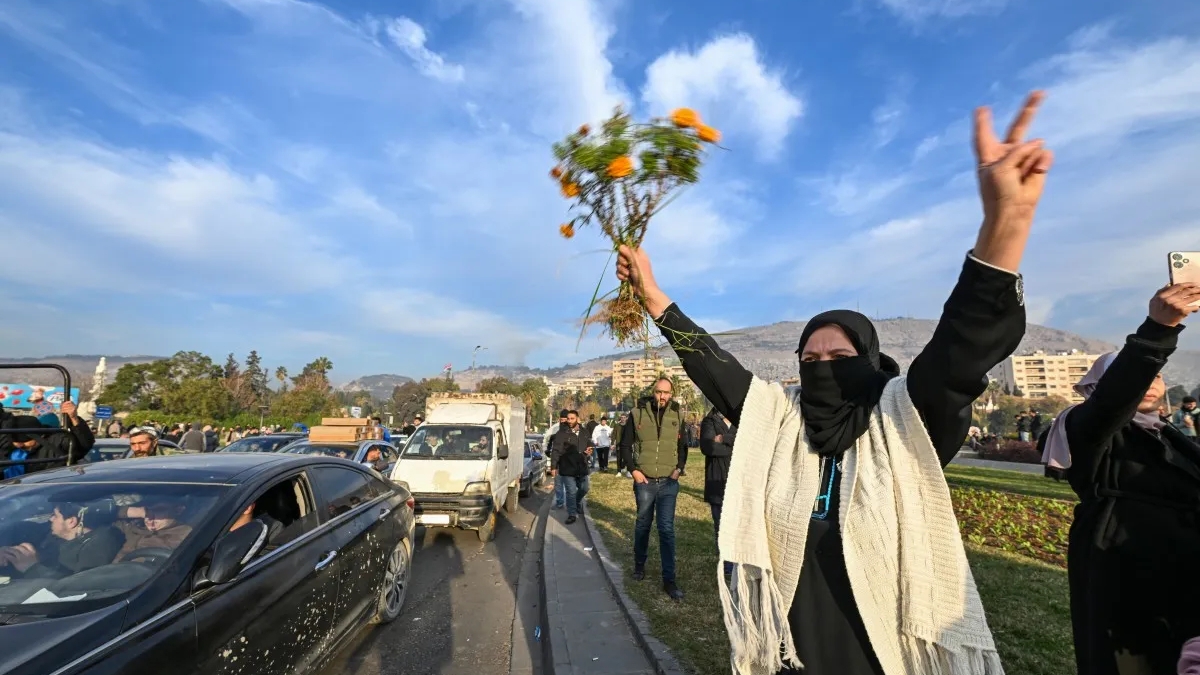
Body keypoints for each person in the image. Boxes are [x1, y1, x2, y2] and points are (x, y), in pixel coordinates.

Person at [614, 91, 1051, 674]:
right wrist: (654, 299)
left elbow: (962, 346)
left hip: (886, 651)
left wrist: (1006, 222)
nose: (822, 368)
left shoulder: (905, 417)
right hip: (795, 649)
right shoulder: (782, 418)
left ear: (869, 360)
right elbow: (715, 369)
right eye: (809, 359)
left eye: (838, 356)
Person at [1039, 283, 1200, 675]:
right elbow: (1113, 401)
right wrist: (1158, 331)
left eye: (1158, 376)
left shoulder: (1171, 433)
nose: (1151, 382)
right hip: (1128, 570)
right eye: (1140, 375)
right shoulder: (1086, 428)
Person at [618, 378, 688, 600]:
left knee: (666, 529)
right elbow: (625, 445)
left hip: (669, 482)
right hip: (645, 481)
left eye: (667, 393)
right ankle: (639, 565)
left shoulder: (677, 414)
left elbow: (683, 446)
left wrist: (679, 468)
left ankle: (669, 580)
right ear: (653, 391)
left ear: (671, 394)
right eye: (659, 392)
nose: (662, 397)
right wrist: (633, 470)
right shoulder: (637, 413)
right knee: (643, 525)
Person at [0, 500, 125, 578]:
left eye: (55, 515)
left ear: (71, 522)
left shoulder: (101, 543)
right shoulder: (51, 534)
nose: (51, 519)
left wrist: (32, 567)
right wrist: (9, 554)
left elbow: (78, 588)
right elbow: (17, 529)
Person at [3, 400, 94, 477]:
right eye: (15, 441)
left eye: (24, 441)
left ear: (40, 436)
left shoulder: (56, 441)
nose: (19, 445)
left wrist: (74, 418)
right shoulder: (11, 450)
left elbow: (83, 445)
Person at [700, 406, 736, 575]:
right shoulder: (709, 421)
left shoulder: (741, 419)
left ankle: (739, 562)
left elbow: (750, 442)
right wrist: (735, 446)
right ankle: (727, 565)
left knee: (738, 526)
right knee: (721, 526)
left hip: (738, 481)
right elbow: (709, 448)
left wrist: (723, 438)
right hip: (717, 482)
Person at [114, 501, 193, 561]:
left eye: (158, 510)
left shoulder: (184, 533)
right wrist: (137, 511)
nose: (149, 517)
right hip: (110, 575)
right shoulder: (136, 527)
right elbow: (107, 513)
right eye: (148, 511)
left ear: (177, 510)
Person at [550, 410, 592, 524]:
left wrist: (589, 449)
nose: (569, 421)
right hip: (567, 467)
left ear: (577, 419)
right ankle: (572, 514)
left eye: (572, 418)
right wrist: (553, 466)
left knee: (584, 488)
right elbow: (556, 450)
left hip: (582, 467)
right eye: (568, 419)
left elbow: (589, 443)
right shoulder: (561, 433)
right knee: (571, 492)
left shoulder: (584, 431)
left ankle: (578, 502)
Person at [545, 410, 569, 509]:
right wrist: (553, 464)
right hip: (558, 461)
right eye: (561, 420)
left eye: (565, 420)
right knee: (558, 484)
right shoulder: (554, 429)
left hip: (569, 462)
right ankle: (560, 502)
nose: (563, 422)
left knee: (570, 485)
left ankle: (571, 503)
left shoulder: (573, 429)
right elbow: (549, 444)